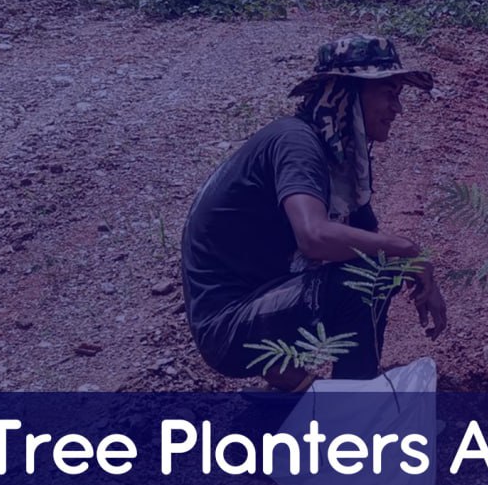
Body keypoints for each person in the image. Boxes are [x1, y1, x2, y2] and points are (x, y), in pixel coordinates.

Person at [181, 36, 447, 389]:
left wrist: (406, 261)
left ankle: (316, 394)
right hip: (227, 326)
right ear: (347, 94)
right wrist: (410, 251)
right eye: (389, 93)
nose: (397, 108)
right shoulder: (298, 143)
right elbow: (314, 238)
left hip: (257, 304)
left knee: (378, 266)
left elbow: (367, 237)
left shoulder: (338, 154)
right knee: (371, 275)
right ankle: (352, 408)